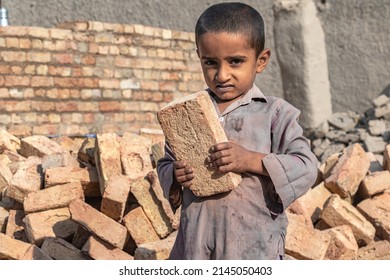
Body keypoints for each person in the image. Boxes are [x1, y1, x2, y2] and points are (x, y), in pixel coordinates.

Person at [157, 2, 318, 260]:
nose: (222, 75)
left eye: (235, 61)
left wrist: (250, 160)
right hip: (195, 243)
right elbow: (165, 161)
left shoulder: (275, 113)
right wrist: (176, 175)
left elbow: (306, 166)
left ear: (261, 61)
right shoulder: (186, 114)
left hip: (252, 245)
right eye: (210, 62)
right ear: (199, 57)